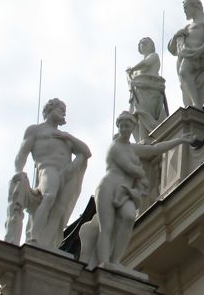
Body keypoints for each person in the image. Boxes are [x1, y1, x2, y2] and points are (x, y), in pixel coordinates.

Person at [85, 111, 192, 270]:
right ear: (118, 127)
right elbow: (130, 168)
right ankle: (104, 264)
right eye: (122, 125)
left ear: (133, 127)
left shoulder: (132, 148)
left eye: (128, 126)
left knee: (129, 217)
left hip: (124, 190)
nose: (125, 128)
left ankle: (115, 261)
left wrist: (180, 140)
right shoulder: (115, 147)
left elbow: (155, 149)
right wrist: (141, 174)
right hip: (108, 187)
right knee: (106, 227)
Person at [11, 98, 91, 247]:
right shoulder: (36, 130)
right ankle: (34, 236)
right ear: (51, 109)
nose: (64, 114)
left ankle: (47, 244)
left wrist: (68, 136)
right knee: (49, 197)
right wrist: (19, 172)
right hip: (47, 169)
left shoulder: (65, 137)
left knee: (59, 211)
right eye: (61, 110)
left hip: (66, 175)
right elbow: (22, 153)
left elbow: (86, 152)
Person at [168, 0, 204, 108]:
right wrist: (176, 35)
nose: (185, 12)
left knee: (184, 71)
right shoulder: (187, 27)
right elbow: (172, 49)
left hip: (200, 55)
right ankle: (192, 104)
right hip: (188, 54)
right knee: (184, 78)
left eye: (186, 8)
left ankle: (197, 105)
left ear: (194, 7)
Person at [126, 36, 168, 140]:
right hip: (139, 93)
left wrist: (132, 69)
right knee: (138, 115)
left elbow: (145, 64)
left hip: (151, 91)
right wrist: (129, 74)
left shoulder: (154, 56)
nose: (142, 44)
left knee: (146, 114)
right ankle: (142, 139)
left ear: (152, 46)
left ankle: (148, 139)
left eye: (146, 42)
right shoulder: (135, 70)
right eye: (140, 43)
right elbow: (131, 82)